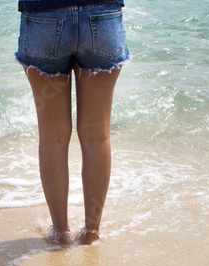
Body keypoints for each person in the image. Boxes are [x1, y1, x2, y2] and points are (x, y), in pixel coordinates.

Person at [16, 0, 129, 245]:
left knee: (52, 137)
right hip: (102, 13)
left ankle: (61, 233)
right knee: (97, 136)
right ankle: (91, 232)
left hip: (44, 15)